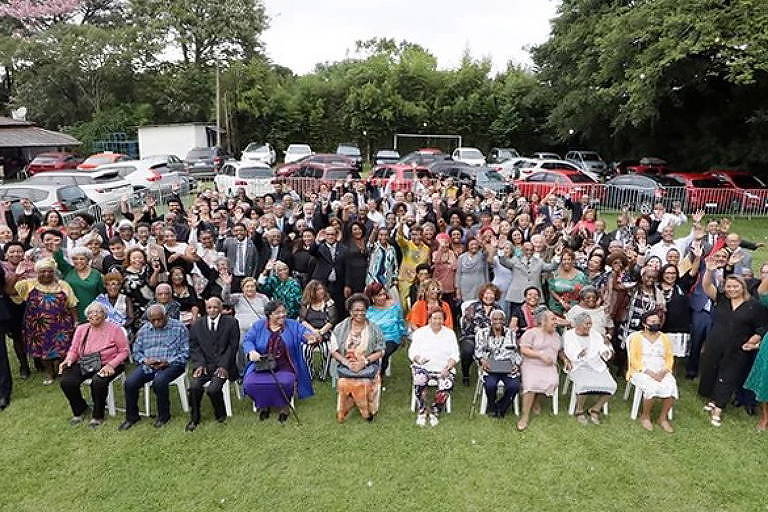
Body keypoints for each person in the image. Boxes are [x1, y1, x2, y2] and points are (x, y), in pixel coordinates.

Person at [699, 258, 767, 427]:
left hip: (738, 348)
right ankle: (713, 400)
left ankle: (718, 409)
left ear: (743, 287)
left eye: (735, 286)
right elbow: (707, 287)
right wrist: (709, 271)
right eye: (729, 286)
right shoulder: (722, 299)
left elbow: (761, 327)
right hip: (716, 342)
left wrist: (754, 340)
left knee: (728, 376)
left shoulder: (753, 306)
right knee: (712, 370)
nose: (732, 289)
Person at [242, 300, 319, 423]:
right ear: (269, 314)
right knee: (250, 383)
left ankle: (284, 407)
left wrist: (310, 337)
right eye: (278, 312)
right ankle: (264, 405)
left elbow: (303, 333)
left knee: (285, 382)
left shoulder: (292, 325)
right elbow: (248, 340)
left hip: (285, 365)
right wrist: (251, 351)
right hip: (262, 365)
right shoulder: (258, 326)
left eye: (284, 311)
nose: (282, 315)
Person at [58, 302, 129, 427]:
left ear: (104, 315)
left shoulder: (115, 329)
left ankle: (98, 415)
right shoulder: (81, 329)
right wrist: (68, 360)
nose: (93, 314)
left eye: (97, 312)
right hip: (88, 361)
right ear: (87, 316)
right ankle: (80, 409)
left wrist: (111, 365)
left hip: (110, 362)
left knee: (98, 381)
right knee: (67, 381)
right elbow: (74, 349)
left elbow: (124, 351)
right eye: (90, 312)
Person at [119, 304, 190, 430]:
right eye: (153, 320)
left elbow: (186, 352)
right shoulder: (144, 330)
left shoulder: (179, 328)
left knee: (159, 382)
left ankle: (163, 416)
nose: (156, 323)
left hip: (172, 364)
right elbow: (136, 352)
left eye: (159, 319)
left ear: (166, 316)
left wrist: (168, 362)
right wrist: (145, 360)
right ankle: (132, 417)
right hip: (149, 365)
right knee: (130, 383)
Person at [15, 258, 78, 385]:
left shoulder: (63, 285)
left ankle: (60, 369)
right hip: (37, 326)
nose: (46, 274)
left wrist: (76, 321)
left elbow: (72, 304)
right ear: (37, 272)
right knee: (43, 351)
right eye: (43, 271)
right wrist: (18, 274)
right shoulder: (29, 284)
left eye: (50, 271)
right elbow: (13, 290)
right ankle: (49, 373)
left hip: (61, 325)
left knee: (62, 349)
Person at [185, 297, 240, 432]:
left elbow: (232, 347)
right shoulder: (197, 325)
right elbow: (194, 347)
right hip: (204, 365)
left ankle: (220, 414)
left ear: (220, 308)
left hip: (224, 365)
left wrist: (223, 366)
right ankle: (194, 418)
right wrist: (200, 364)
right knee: (194, 387)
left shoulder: (231, 322)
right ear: (206, 308)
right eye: (209, 307)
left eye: (215, 307)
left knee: (213, 389)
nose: (212, 310)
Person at [330, 294, 385, 422]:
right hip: (346, 366)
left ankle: (355, 407)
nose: (360, 313)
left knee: (364, 383)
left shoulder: (374, 329)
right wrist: (346, 363)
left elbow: (381, 351)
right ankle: (363, 409)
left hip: (367, 365)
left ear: (366, 310)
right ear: (350, 311)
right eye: (356, 310)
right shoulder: (340, 328)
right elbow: (334, 350)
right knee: (344, 382)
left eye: (362, 310)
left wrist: (364, 362)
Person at [625, 311, 678, 432]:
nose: (656, 324)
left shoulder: (664, 338)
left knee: (671, 385)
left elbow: (670, 358)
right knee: (651, 387)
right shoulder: (637, 338)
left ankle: (663, 418)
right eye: (652, 322)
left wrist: (664, 371)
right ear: (644, 323)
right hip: (641, 370)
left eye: (657, 322)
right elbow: (633, 359)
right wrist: (649, 372)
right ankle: (645, 416)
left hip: (661, 369)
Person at [562, 313, 616, 425]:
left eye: (590, 323)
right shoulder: (569, 335)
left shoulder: (595, 334)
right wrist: (579, 354)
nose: (589, 326)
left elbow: (602, 347)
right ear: (577, 325)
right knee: (584, 384)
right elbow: (568, 351)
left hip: (596, 365)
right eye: (586, 324)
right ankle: (579, 410)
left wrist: (606, 352)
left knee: (612, 385)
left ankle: (595, 409)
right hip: (578, 365)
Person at [517, 307, 562, 431]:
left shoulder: (556, 335)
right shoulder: (531, 333)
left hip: (548, 366)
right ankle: (525, 416)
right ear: (543, 321)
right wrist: (540, 355)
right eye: (553, 319)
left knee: (552, 381)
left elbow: (559, 351)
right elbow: (524, 350)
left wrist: (565, 360)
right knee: (531, 384)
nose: (556, 322)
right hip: (531, 364)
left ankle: (536, 400)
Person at [474, 309, 521, 418]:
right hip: (490, 365)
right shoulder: (482, 333)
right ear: (490, 320)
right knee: (490, 385)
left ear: (504, 321)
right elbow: (477, 351)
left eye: (500, 319)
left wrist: (516, 365)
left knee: (514, 385)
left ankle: (500, 407)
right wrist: (482, 361)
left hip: (507, 365)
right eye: (495, 319)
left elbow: (515, 352)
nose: (498, 321)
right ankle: (492, 405)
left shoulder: (510, 333)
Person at [459, 284, 503, 386]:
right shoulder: (473, 307)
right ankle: (465, 374)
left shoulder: (498, 309)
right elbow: (467, 326)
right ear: (482, 294)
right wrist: (480, 333)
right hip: (472, 337)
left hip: (491, 339)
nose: (489, 296)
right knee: (467, 350)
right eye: (487, 293)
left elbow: (501, 327)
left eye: (492, 294)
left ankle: (495, 374)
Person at [364, 282, 407, 376]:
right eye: (379, 295)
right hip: (374, 338)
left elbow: (400, 322)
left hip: (392, 337)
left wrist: (403, 335)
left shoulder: (394, 307)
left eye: (384, 294)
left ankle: (379, 375)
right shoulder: (368, 310)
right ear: (372, 297)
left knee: (383, 352)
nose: (383, 297)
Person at [53, 246, 105, 323]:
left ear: (88, 260)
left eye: (82, 259)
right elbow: (59, 259)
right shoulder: (68, 270)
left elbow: (102, 294)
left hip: (92, 314)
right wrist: (56, 247)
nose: (78, 261)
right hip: (72, 313)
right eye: (75, 259)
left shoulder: (96, 274)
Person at [299, 280, 337, 380]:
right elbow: (302, 320)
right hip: (309, 332)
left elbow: (332, 321)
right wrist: (314, 332)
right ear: (311, 292)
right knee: (305, 350)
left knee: (327, 350)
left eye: (322, 289)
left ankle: (323, 373)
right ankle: (309, 373)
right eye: (318, 290)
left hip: (325, 331)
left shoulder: (329, 303)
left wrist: (320, 332)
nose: (321, 291)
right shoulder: (306, 303)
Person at [547, 248, 589, 315]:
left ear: (573, 260)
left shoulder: (581, 275)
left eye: (569, 259)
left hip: (575, 307)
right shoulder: (554, 274)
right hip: (556, 307)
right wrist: (562, 301)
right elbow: (551, 290)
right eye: (564, 259)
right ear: (561, 261)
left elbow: (585, 291)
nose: (566, 262)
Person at [454, 238, 489, 304]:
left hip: (480, 287)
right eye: (472, 244)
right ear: (467, 246)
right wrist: (458, 290)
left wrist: (483, 245)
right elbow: (458, 274)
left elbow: (486, 253)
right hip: (465, 288)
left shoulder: (482, 256)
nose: (474, 246)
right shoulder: (461, 257)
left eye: (476, 244)